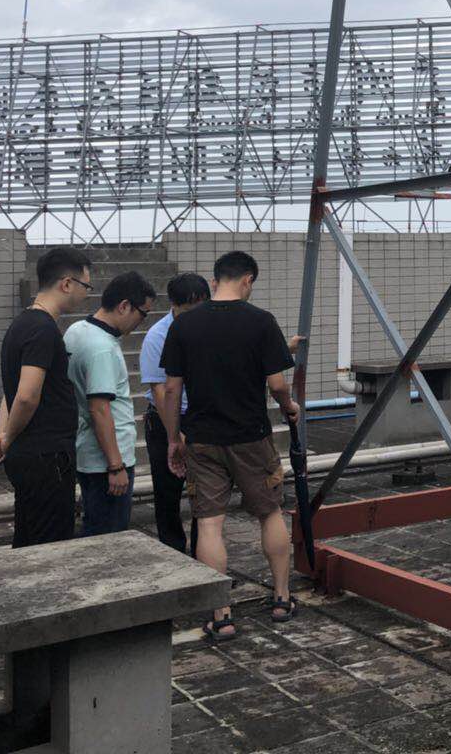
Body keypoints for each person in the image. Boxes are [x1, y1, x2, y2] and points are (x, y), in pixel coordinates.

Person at [160, 250, 301, 642]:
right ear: (247, 280)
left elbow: (171, 390)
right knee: (269, 513)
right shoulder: (261, 321)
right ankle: (281, 598)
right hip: (251, 437)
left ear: (215, 279)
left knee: (209, 524)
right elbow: (277, 385)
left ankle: (221, 615)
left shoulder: (184, 325)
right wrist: (289, 407)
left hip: (202, 439)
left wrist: (173, 438)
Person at [0, 246, 93, 548]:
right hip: (47, 459)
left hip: (31, 456)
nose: (86, 294)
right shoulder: (43, 329)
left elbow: (10, 393)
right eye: (86, 286)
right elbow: (26, 396)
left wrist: (2, 438)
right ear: (67, 284)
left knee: (28, 538)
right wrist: (6, 440)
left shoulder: (21, 324)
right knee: (49, 545)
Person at [65, 271, 156, 537]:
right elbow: (99, 409)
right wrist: (116, 466)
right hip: (106, 462)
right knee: (109, 535)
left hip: (88, 453)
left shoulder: (77, 330)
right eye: (143, 313)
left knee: (95, 526)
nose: (141, 321)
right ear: (124, 306)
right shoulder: (101, 348)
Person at [138, 272, 210, 553]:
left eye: (199, 309)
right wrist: (174, 434)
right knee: (167, 494)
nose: (194, 317)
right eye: (187, 311)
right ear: (174, 305)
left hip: (201, 418)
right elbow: (160, 391)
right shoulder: (158, 336)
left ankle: (203, 553)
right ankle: (174, 551)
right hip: (166, 419)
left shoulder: (210, 328)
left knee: (206, 493)